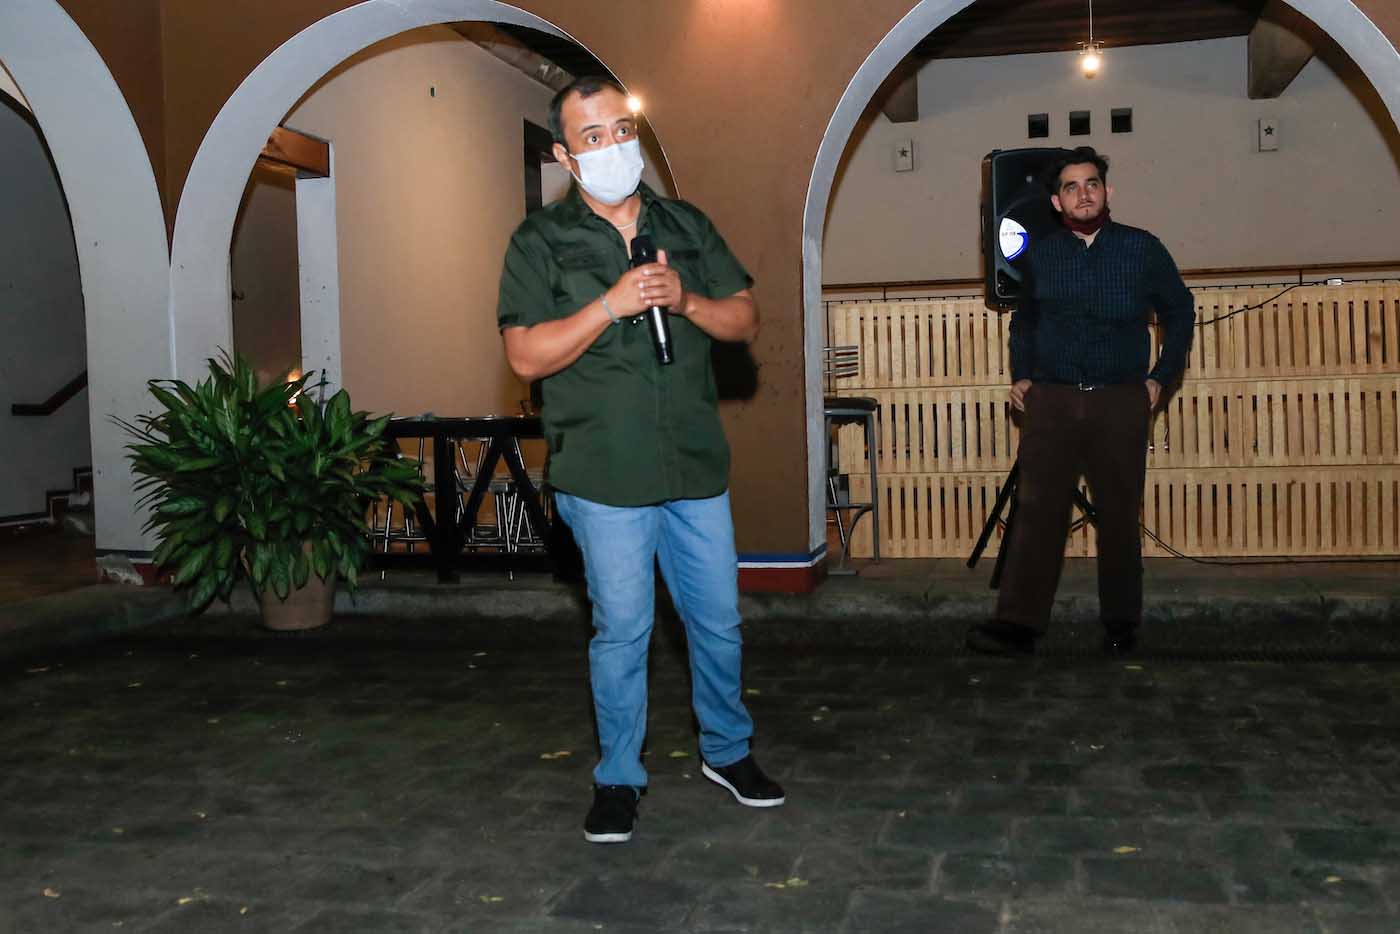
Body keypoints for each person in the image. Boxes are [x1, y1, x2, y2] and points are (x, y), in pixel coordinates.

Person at [496, 76, 784, 844]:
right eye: (592, 137)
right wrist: (608, 306)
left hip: (693, 463)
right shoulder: (538, 242)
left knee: (717, 622)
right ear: (565, 156)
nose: (613, 146)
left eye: (621, 130)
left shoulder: (684, 223)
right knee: (623, 631)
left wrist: (686, 301)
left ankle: (728, 750)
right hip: (605, 471)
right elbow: (524, 356)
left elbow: (744, 317)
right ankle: (619, 777)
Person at [967, 146, 1195, 658]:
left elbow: (1180, 310)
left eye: (1091, 184)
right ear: (1056, 201)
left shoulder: (1142, 249)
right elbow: (1025, 321)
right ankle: (1018, 625)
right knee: (1037, 513)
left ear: (1107, 192)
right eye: (1071, 187)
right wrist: (1023, 375)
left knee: (1118, 516)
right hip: (1051, 402)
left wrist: (1162, 377)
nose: (1083, 194)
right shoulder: (1041, 255)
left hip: (1121, 401)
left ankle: (1121, 625)